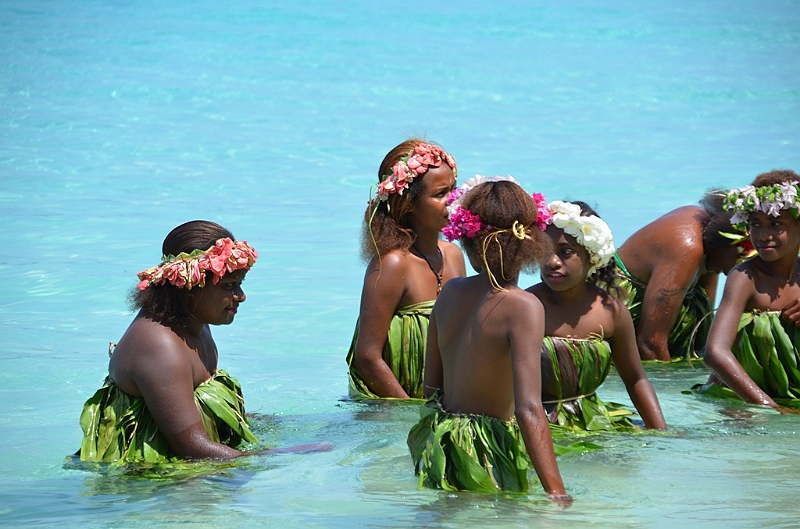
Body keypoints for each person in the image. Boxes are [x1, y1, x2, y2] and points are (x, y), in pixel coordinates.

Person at [407, 177, 570, 503]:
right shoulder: (523, 306)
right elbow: (528, 409)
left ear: (468, 241)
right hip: (487, 450)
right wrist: (557, 491)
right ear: (530, 242)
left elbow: (430, 386)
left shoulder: (450, 292)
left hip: (443, 445)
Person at [78, 220, 260, 463]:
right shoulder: (159, 346)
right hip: (141, 481)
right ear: (189, 286)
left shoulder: (196, 325)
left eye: (239, 284)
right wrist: (283, 457)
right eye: (229, 286)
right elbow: (194, 450)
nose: (241, 296)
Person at [527, 200, 667, 431]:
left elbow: (636, 380)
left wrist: (662, 434)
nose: (552, 261)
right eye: (545, 250)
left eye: (566, 252)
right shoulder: (527, 307)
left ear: (592, 256)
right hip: (536, 424)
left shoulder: (611, 311)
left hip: (593, 420)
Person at [346, 139, 467, 399]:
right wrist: (410, 414)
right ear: (408, 203)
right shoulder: (392, 263)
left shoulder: (454, 255)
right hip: (393, 407)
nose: (453, 202)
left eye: (454, 190)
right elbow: (366, 357)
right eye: (440, 194)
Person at [700, 170, 800, 410]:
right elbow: (715, 352)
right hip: (745, 401)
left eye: (776, 224)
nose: (764, 235)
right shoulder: (745, 277)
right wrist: (769, 407)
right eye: (756, 224)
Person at [614, 193, 744, 361]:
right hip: (622, 304)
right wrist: (671, 384)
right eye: (746, 258)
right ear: (734, 243)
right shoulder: (688, 248)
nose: (745, 268)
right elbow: (650, 343)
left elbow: (705, 327)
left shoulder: (713, 242)